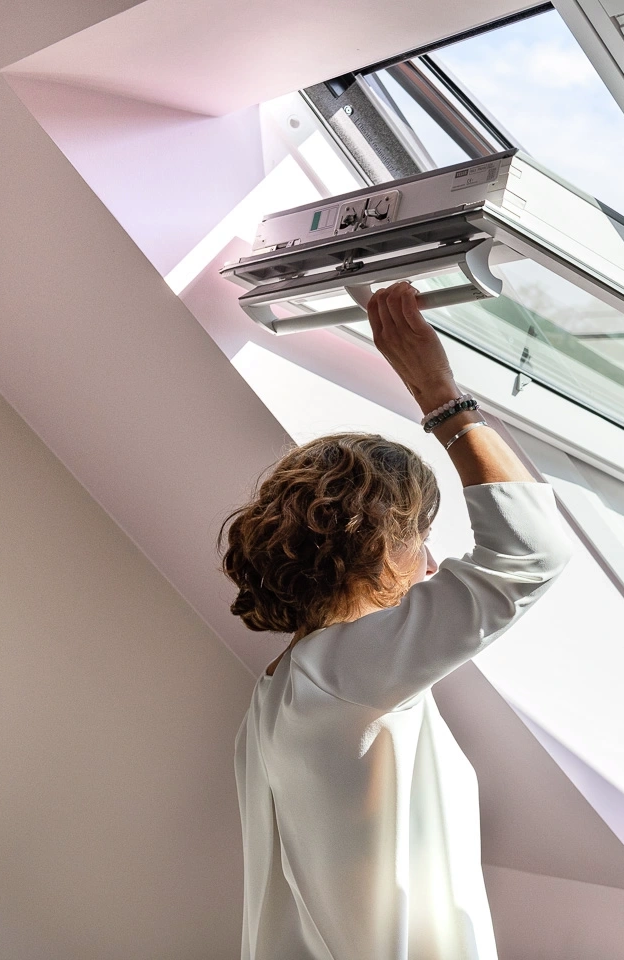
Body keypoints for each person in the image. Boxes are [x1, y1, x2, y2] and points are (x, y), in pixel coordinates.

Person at [222, 281, 573, 959]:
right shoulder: (352, 671)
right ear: (375, 543)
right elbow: (533, 552)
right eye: (422, 535)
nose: (434, 562)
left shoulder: (280, 690)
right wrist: (441, 395)